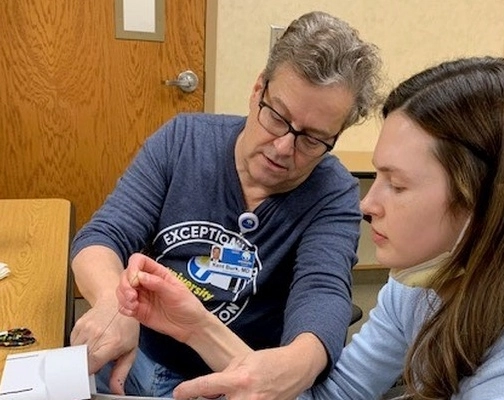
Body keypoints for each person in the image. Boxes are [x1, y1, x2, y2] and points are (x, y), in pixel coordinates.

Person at [116, 56, 504, 400]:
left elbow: (323, 292)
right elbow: (339, 395)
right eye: (378, 176)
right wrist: (198, 327)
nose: (368, 204)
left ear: (484, 204)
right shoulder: (419, 284)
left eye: (398, 184)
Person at [69, 10, 382, 398]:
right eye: (277, 117)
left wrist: (298, 363)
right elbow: (103, 235)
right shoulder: (183, 140)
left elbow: (324, 292)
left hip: (231, 379)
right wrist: (109, 304)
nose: (284, 148)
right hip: (133, 356)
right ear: (257, 90)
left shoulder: (333, 192)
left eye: (313, 139)